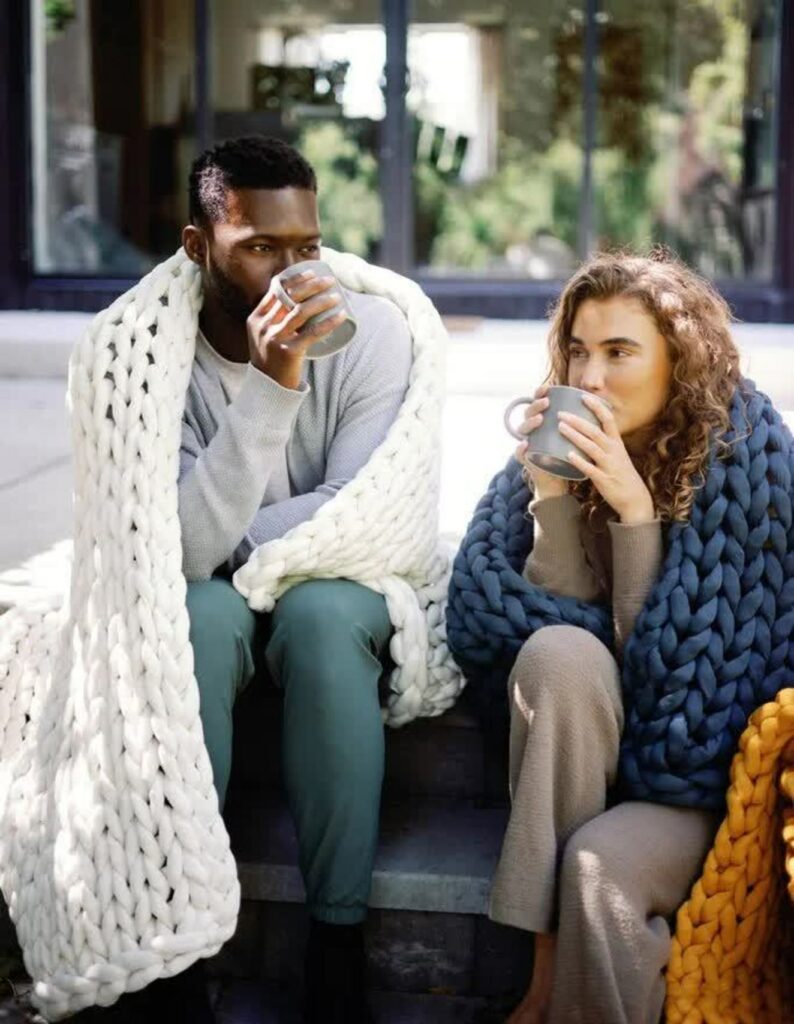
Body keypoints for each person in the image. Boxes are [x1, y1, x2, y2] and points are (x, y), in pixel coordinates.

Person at [72, 135, 412, 1022]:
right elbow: (172, 554)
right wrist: (270, 388)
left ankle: (338, 940)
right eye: (259, 248)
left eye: (305, 247)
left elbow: (363, 505)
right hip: (204, 596)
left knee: (326, 620)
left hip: (334, 584)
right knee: (197, 618)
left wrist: (235, 545)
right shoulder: (144, 357)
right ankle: (177, 944)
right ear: (198, 247)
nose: (291, 270)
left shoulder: (375, 332)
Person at [448, 250, 793, 1024]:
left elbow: (684, 692)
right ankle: (541, 980)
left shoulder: (752, 465)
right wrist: (553, 502)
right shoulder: (550, 458)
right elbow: (509, 634)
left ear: (681, 360)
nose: (591, 376)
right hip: (575, 759)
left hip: (696, 781)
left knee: (601, 865)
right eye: (578, 350)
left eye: (619, 352)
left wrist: (637, 517)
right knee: (558, 653)